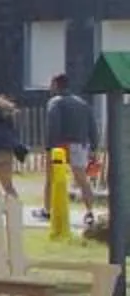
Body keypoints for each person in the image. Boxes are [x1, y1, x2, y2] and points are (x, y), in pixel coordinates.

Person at [41, 71, 100, 209]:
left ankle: (48, 209)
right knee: (82, 179)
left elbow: (53, 124)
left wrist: (49, 146)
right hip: (80, 144)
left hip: (60, 145)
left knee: (52, 179)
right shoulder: (82, 103)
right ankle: (90, 210)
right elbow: (92, 125)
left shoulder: (55, 102)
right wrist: (94, 147)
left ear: (56, 85)